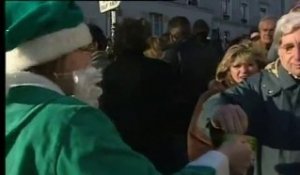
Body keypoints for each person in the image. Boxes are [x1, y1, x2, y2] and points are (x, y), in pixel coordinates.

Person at [5, 2, 253, 175]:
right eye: (86, 49)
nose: (91, 59)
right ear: (62, 54)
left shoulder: (15, 107)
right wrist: (222, 159)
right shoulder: (69, 121)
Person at [199, 12, 300, 175]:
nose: (297, 56)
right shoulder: (261, 85)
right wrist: (221, 112)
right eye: (289, 48)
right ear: (279, 50)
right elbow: (220, 101)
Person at [187, 40, 266, 161]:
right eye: (237, 66)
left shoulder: (265, 95)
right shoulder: (212, 96)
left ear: (259, 68)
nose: (244, 70)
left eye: (250, 65)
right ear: (228, 70)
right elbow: (198, 138)